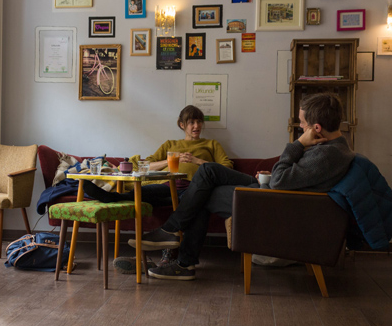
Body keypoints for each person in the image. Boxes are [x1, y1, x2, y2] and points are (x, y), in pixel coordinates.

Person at [134, 92, 355, 280]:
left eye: (302, 123)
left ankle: (176, 247)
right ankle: (176, 248)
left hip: (270, 200)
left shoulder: (326, 155)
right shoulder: (332, 147)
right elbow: (287, 177)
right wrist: (272, 173)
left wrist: (297, 145)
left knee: (202, 191)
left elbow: (280, 181)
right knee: (208, 172)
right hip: (267, 190)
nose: (300, 126)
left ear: (316, 127)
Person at [81, 105, 233, 272]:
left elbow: (226, 168)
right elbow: (145, 165)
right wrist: (168, 162)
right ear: (182, 125)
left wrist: (197, 161)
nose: (196, 126)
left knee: (194, 206)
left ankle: (162, 256)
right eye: (191, 122)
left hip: (195, 190)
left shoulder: (211, 144)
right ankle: (111, 197)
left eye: (198, 122)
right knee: (142, 194)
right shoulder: (170, 144)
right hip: (169, 186)